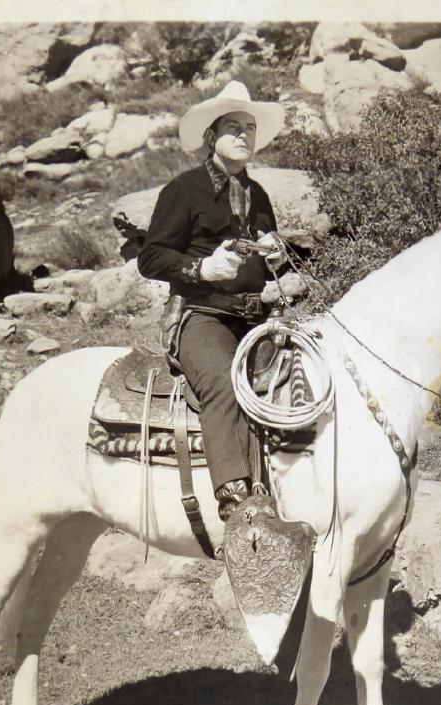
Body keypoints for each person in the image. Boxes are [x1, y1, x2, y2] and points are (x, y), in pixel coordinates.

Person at [137, 81, 287, 521]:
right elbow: (151, 257)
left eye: (249, 127)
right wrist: (202, 269)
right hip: (201, 316)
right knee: (224, 379)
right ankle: (235, 501)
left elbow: (264, 258)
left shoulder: (258, 195)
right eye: (233, 126)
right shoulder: (184, 190)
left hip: (256, 317)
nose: (244, 134)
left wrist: (275, 258)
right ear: (211, 135)